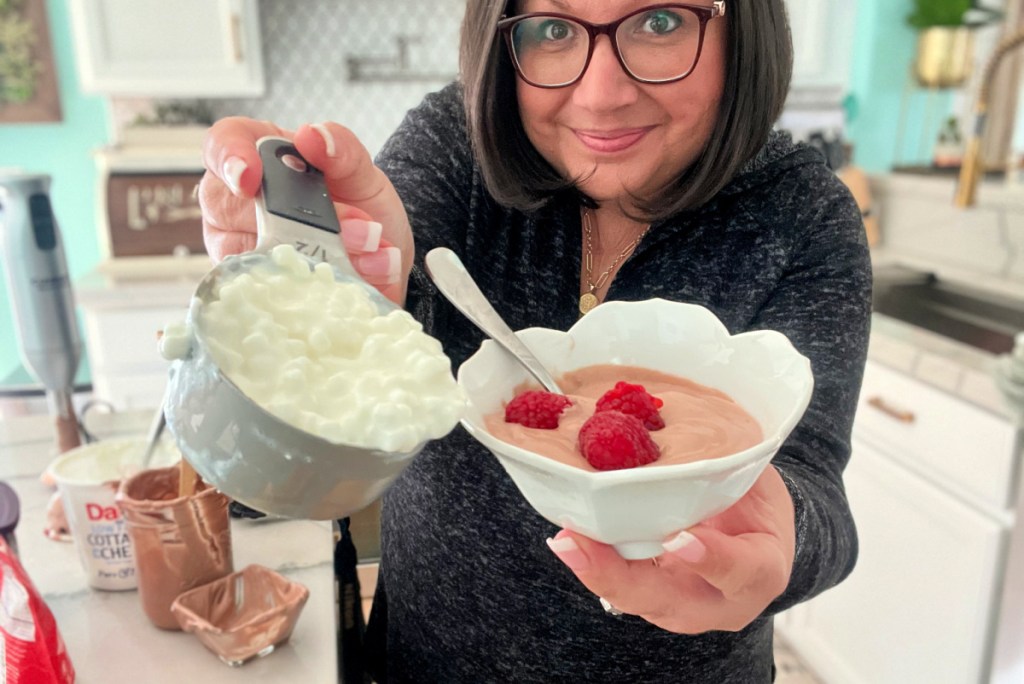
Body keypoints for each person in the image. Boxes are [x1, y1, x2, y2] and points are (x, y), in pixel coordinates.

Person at [196, 1, 871, 681]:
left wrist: (783, 540)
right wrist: (333, 307)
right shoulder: (456, 148)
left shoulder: (804, 216)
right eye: (551, 31)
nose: (602, 94)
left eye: (660, 22)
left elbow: (819, 502)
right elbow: (340, 388)